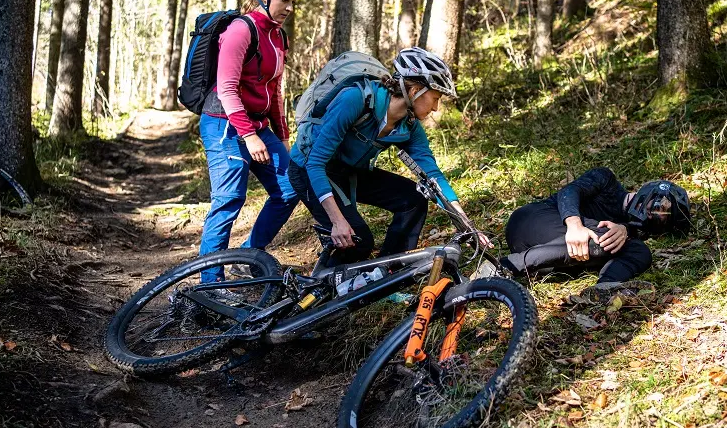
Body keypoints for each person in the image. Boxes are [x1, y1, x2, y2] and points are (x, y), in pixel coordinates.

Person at [288, 47, 489, 264]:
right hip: (309, 169)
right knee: (358, 242)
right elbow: (316, 162)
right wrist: (337, 220)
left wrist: (468, 226)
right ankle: (320, 288)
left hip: (349, 171)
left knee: (414, 199)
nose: (436, 107)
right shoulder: (355, 99)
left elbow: (433, 177)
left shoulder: (409, 126)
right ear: (415, 91)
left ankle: (389, 271)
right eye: (435, 98)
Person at [197, 0, 312, 282]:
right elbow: (227, 87)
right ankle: (210, 284)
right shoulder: (240, 30)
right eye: (284, 0)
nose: (290, 7)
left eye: (293, 1)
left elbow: (273, 90)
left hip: (258, 127)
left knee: (290, 188)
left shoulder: (278, 37)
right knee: (229, 199)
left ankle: (245, 257)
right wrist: (248, 136)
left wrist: (282, 136)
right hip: (224, 126)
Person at [474, 168, 691, 284]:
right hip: (531, 221)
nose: (658, 214)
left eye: (664, 218)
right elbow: (569, 192)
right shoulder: (607, 181)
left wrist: (625, 230)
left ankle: (606, 287)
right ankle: (500, 267)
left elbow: (629, 235)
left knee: (638, 251)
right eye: (659, 207)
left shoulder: (633, 232)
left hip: (550, 260)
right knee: (609, 239)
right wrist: (574, 224)